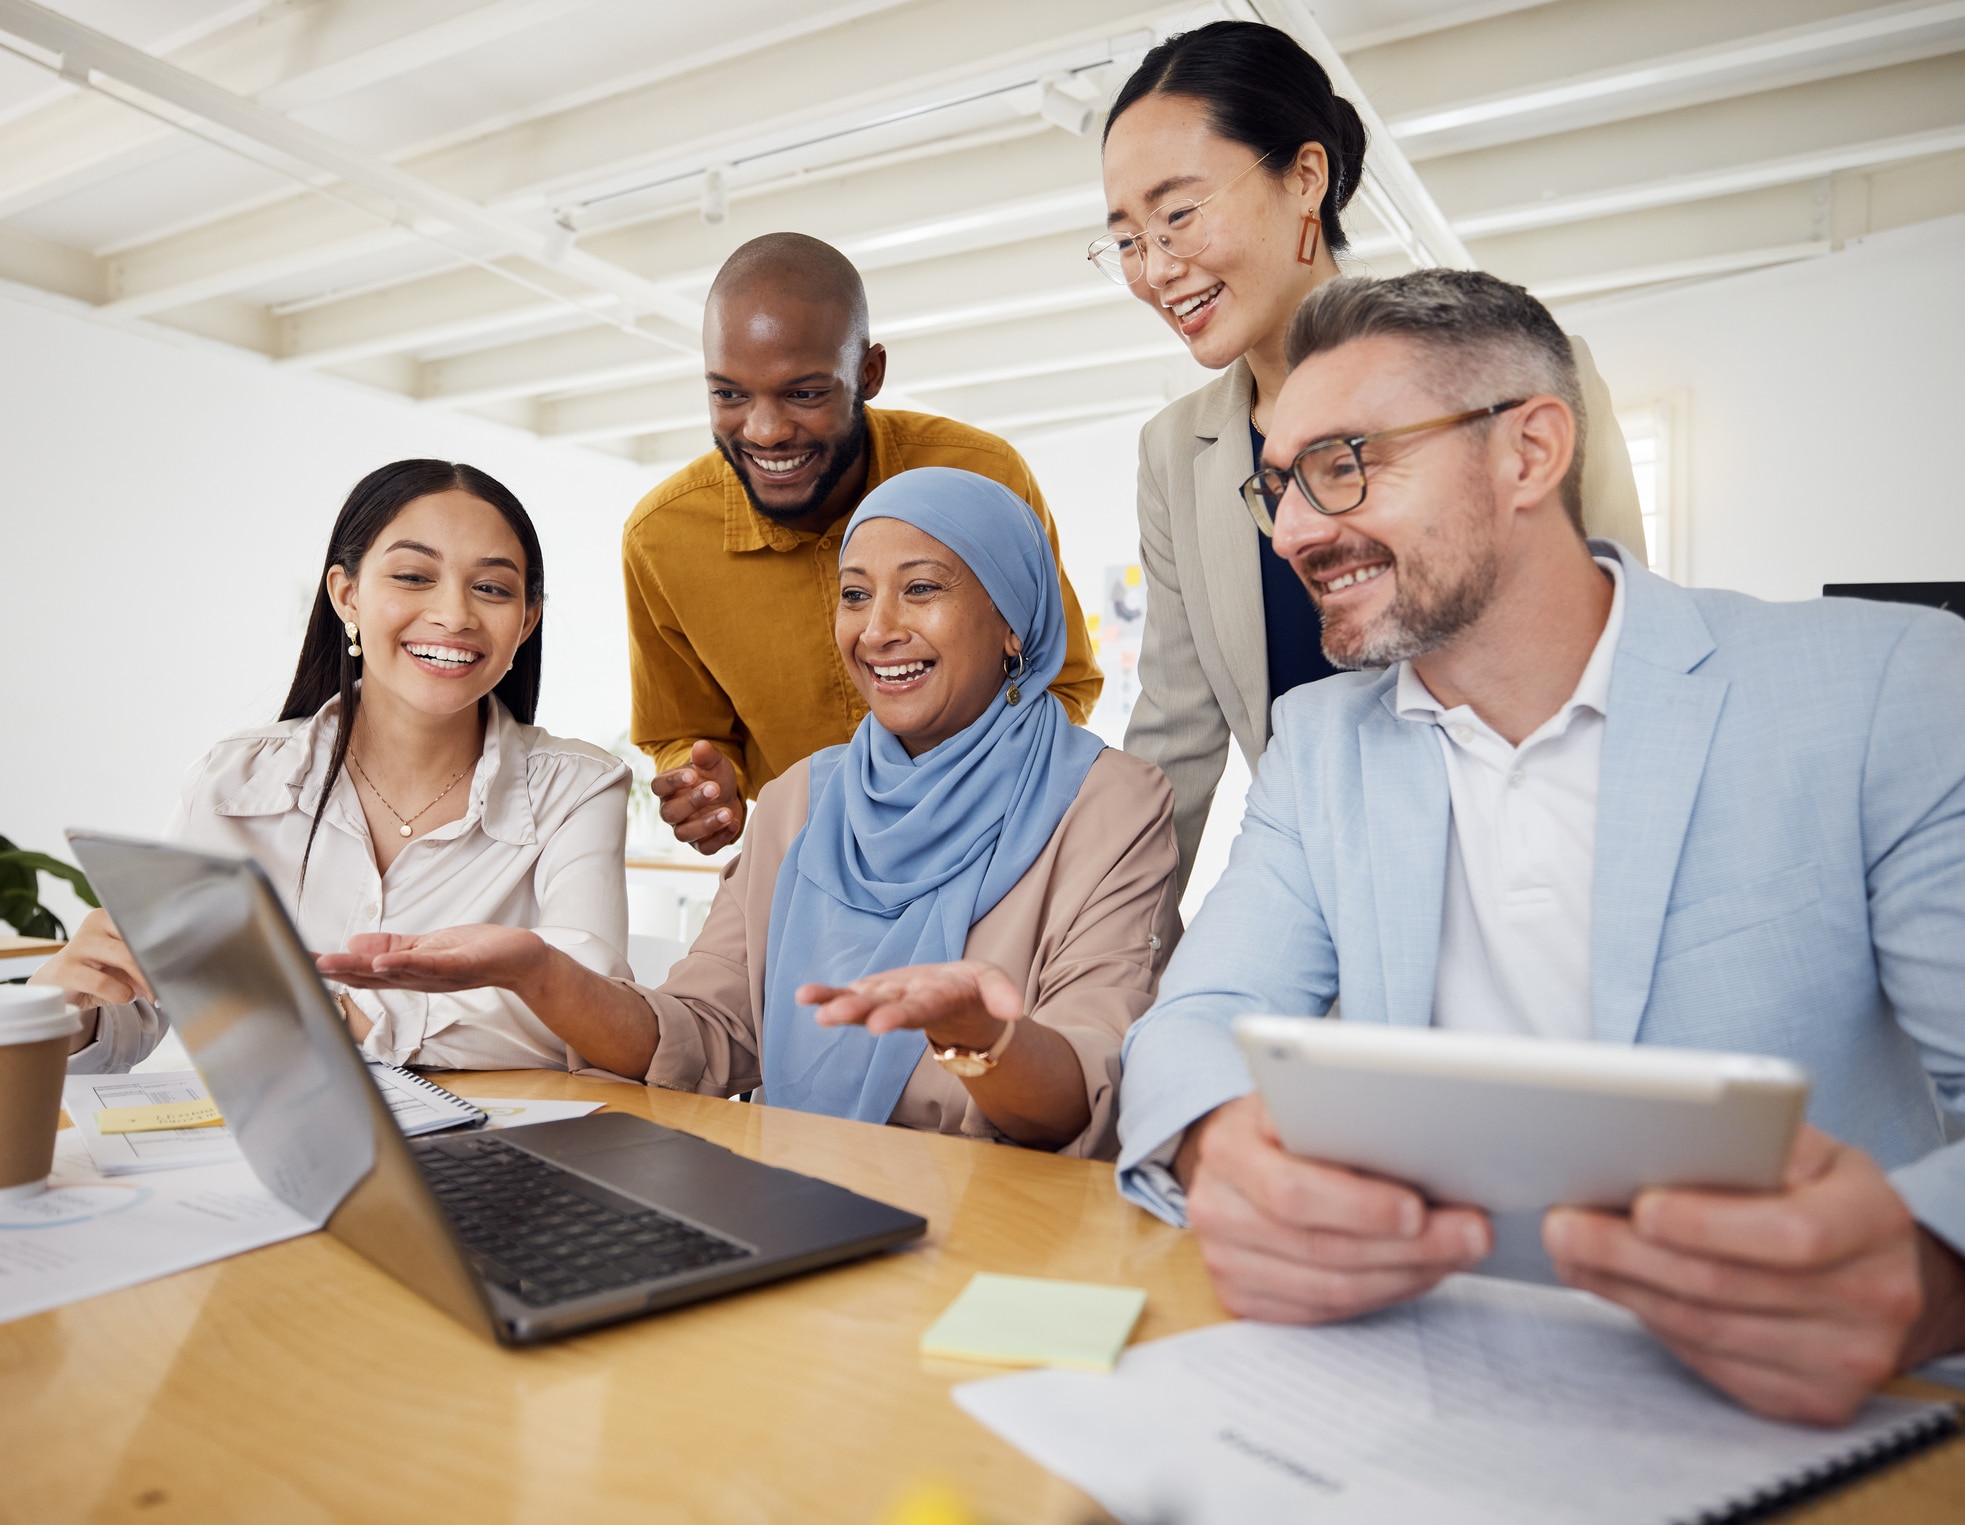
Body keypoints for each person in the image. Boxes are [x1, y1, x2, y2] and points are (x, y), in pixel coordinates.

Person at [1114, 269, 1965, 1424]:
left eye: (1344, 464)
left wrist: (1930, 1273)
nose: (1299, 530)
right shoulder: (1319, 746)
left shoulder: (1882, 688)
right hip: (1429, 1384)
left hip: (1798, 1409)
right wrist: (1221, 1146)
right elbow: (1193, 1018)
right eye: (1280, 488)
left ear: (1528, 453)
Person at [324, 468, 1180, 1158]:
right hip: (805, 1206)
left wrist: (976, 1033)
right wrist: (535, 971)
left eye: (922, 589)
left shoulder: (1110, 802)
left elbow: (1083, 1095)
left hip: (1001, 1225)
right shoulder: (806, 797)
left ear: (1012, 624)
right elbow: (704, 1034)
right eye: (853, 594)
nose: (876, 629)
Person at [1096, 20, 1647, 885]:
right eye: (1128, 237)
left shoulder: (1523, 375)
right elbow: (1175, 739)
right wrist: (1112, 982)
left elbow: (1624, 645)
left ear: (1304, 177)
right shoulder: (1177, 452)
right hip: (1333, 886)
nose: (1154, 269)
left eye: (1178, 215)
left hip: (1536, 863)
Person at [35, 460, 634, 1073]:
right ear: (346, 595)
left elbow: (592, 1017)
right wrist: (75, 1003)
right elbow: (145, 1014)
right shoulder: (233, 781)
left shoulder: (578, 790)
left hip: (485, 1152)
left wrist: (339, 1014)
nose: (454, 614)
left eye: (492, 588)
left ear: (526, 620)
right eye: (412, 575)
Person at [622, 232, 1103, 857]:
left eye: (804, 393)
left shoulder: (983, 476)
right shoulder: (660, 538)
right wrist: (707, 784)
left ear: (868, 373)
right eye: (729, 394)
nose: (764, 431)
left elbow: (1060, 683)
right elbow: (683, 732)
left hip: (997, 846)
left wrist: (950, 796)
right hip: (808, 868)